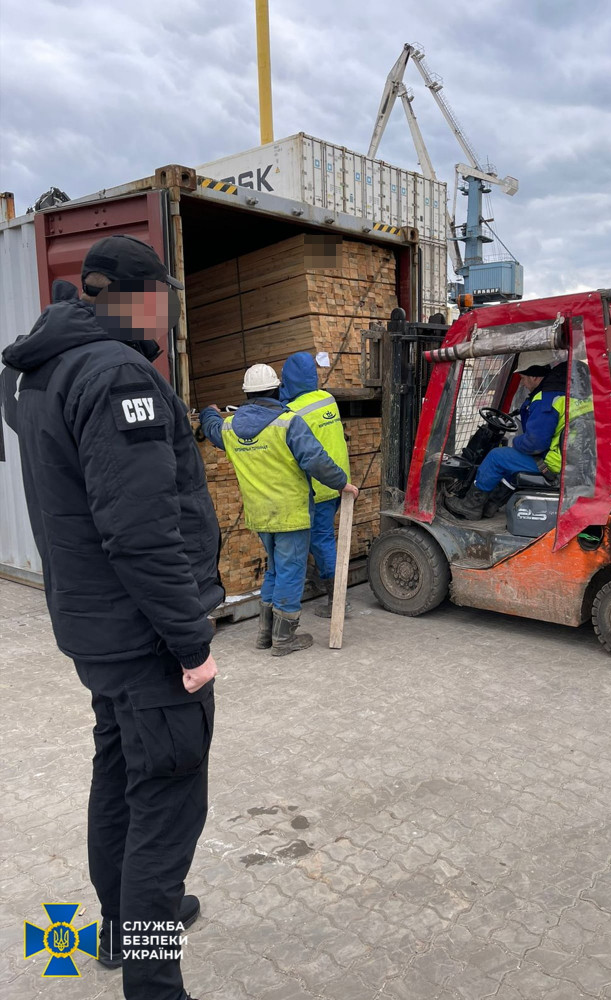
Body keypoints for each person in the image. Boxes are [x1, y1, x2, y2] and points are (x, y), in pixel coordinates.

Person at [1, 235, 224, 1000]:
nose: (163, 314)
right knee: (165, 807)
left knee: (120, 774)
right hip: (145, 639)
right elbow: (139, 530)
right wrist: (190, 642)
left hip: (95, 631)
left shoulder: (41, 369)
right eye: (158, 298)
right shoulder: (116, 373)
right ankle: (153, 981)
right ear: (133, 297)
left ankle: (117, 928)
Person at [199, 364, 358, 655]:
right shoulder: (288, 423)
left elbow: (211, 429)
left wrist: (208, 412)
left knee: (275, 570)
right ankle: (284, 639)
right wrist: (341, 483)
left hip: (260, 515)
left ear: (247, 394)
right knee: (290, 573)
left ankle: (265, 634)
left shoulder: (229, 427)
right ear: (276, 389)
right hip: (291, 514)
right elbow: (315, 460)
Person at [446, 354, 568, 520]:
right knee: (508, 461)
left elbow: (535, 443)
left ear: (533, 377)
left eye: (523, 378)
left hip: (553, 462)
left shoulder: (545, 400)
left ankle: (470, 506)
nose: (522, 383)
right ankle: (491, 506)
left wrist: (513, 442)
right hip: (565, 457)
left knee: (496, 456)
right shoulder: (562, 393)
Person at [280, 352, 352, 617]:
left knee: (321, 540)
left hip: (319, 486)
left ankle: (337, 601)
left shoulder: (293, 412)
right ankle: (320, 575)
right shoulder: (328, 399)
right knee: (320, 537)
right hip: (339, 481)